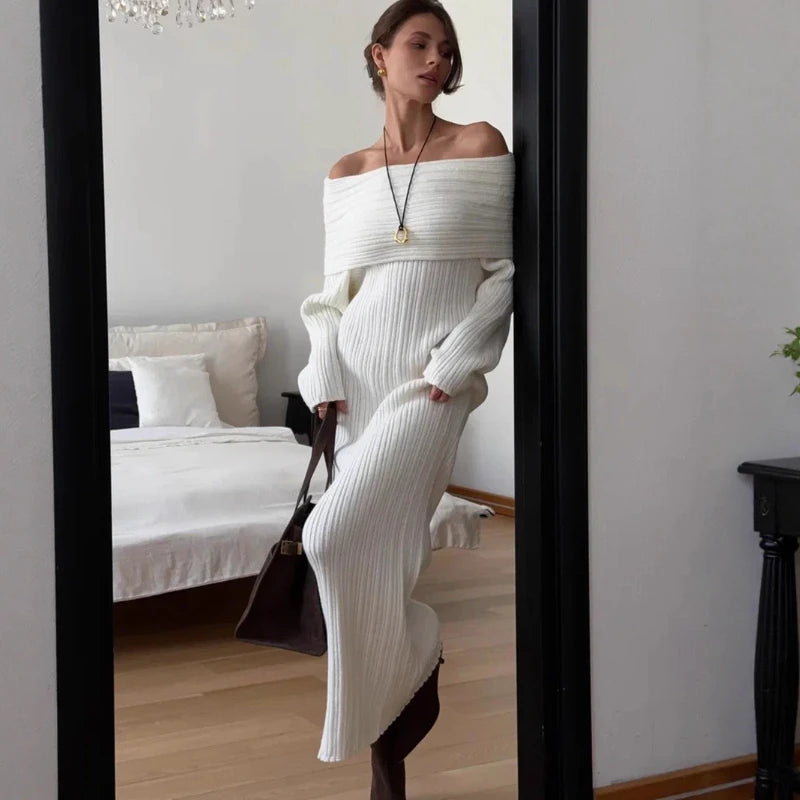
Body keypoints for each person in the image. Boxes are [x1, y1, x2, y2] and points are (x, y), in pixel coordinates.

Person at [297, 1, 514, 796]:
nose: (437, 59)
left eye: (447, 49)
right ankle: (389, 755)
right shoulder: (347, 173)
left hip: (429, 381)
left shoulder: (480, 143)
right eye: (419, 44)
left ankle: (417, 650)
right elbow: (331, 298)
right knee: (376, 556)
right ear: (379, 56)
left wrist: (456, 365)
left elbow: (503, 276)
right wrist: (322, 379)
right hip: (353, 383)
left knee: (330, 539)